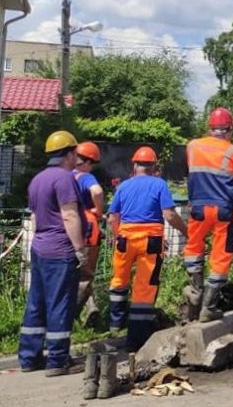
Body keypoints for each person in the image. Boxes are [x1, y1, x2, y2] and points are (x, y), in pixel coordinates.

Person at [18, 131, 87, 376]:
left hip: (40, 248)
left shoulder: (37, 180)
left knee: (36, 303)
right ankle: (57, 360)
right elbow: (69, 215)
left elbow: (35, 217)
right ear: (69, 154)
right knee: (60, 304)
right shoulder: (65, 179)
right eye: (75, 153)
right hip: (60, 251)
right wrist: (79, 249)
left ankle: (28, 358)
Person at [107, 146, 187, 351]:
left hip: (125, 238)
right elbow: (169, 215)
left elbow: (112, 218)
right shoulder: (159, 184)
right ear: (153, 166)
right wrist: (186, 231)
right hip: (150, 240)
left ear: (134, 165)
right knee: (144, 287)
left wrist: (118, 237)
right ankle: (137, 339)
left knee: (119, 279)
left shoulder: (123, 187)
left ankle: (115, 324)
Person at [183, 107, 233, 322]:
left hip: (198, 208)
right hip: (224, 210)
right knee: (221, 256)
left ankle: (195, 291)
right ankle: (208, 307)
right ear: (229, 130)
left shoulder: (192, 146)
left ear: (210, 128)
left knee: (193, 248)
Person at [73, 141, 104, 321]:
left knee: (74, 274)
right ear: (88, 162)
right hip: (88, 231)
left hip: (69, 231)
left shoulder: (66, 176)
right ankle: (70, 317)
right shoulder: (85, 177)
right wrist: (98, 211)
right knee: (85, 275)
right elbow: (97, 192)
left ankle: (91, 307)